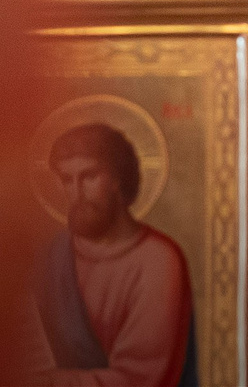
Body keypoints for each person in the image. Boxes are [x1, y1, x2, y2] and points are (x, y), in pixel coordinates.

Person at [28, 122, 197, 387]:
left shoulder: (157, 260)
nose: (77, 193)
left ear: (118, 178)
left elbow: (139, 378)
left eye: (89, 177)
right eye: (67, 180)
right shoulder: (51, 258)